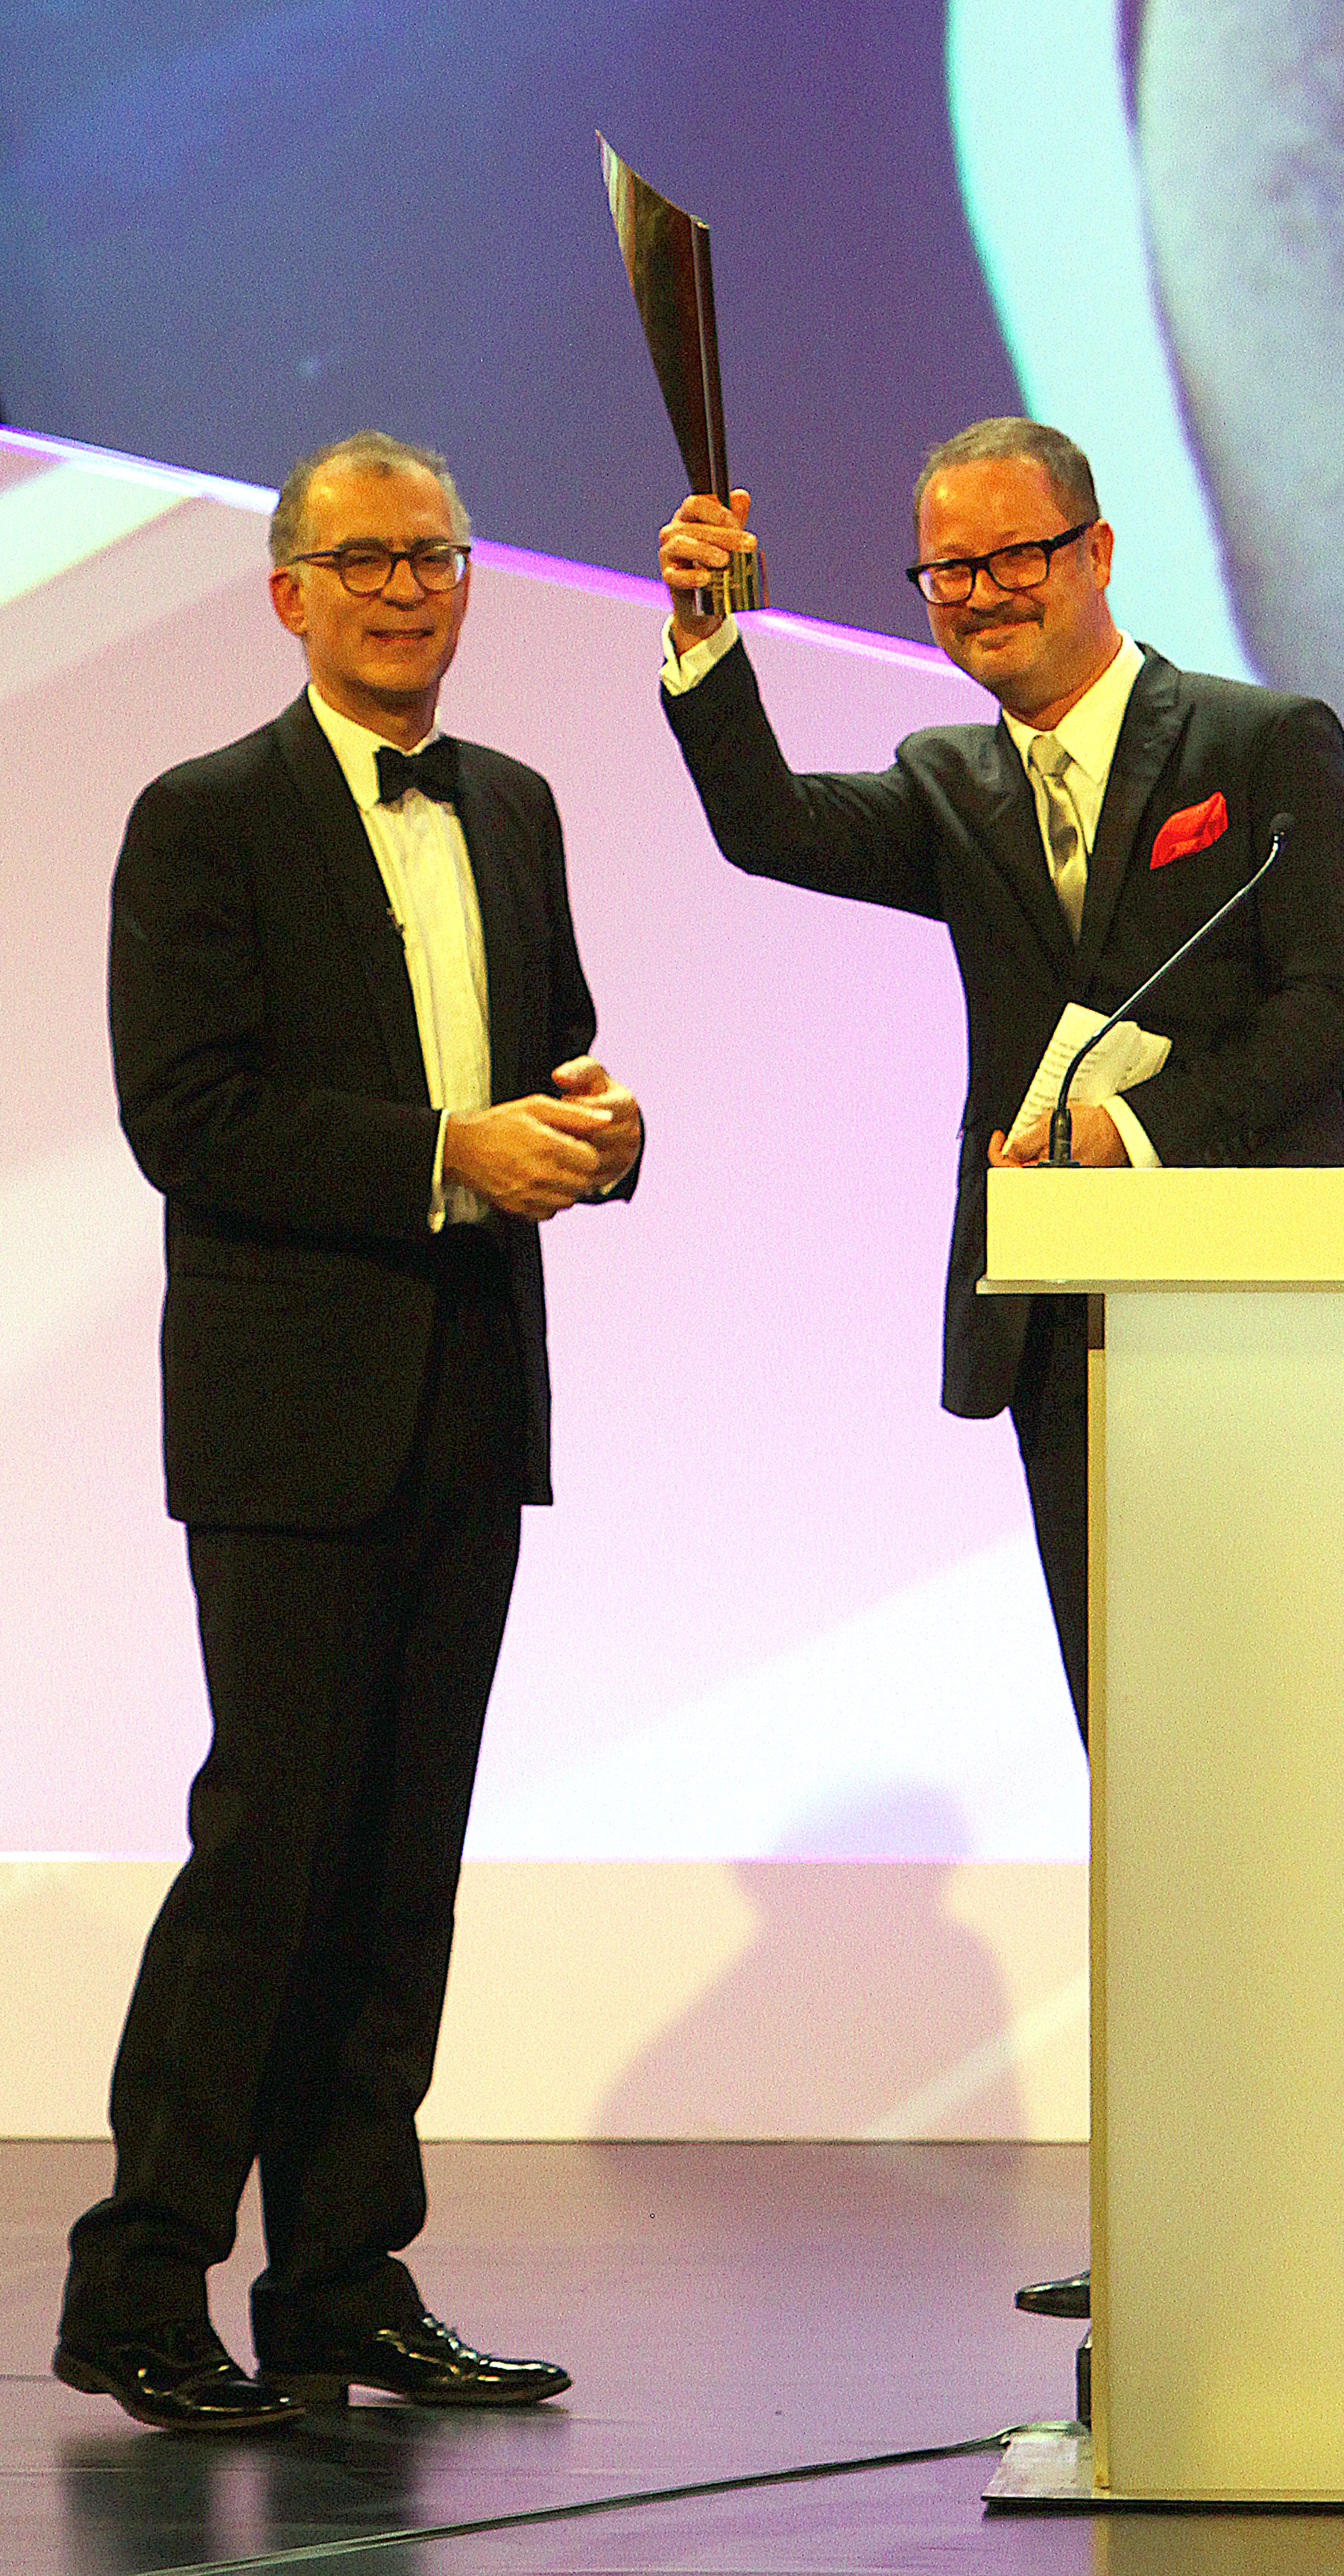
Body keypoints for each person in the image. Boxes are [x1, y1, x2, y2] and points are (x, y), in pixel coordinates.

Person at [659, 417, 1344, 2312]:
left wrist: (1136, 1137)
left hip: (1264, 1322)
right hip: (1069, 1345)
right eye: (947, 571)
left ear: (1096, 552)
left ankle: (1339, 2195)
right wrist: (709, 645)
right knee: (1144, 1771)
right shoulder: (949, 783)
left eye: (1012, 558)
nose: (979, 596)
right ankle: (1182, 2216)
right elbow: (768, 827)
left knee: (1288, 1765)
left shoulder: (1257, 744)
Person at [55, 429, 643, 2433]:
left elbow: (546, 1058)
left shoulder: (516, 802)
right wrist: (441, 1152)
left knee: (402, 1867)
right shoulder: (204, 814)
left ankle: (338, 2284)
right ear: (288, 593)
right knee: (272, 1852)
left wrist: (600, 1131)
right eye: (368, 560)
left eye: (437, 556)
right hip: (290, 1411)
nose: (407, 590)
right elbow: (186, 1113)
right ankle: (140, 2285)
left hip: (473, 1392)